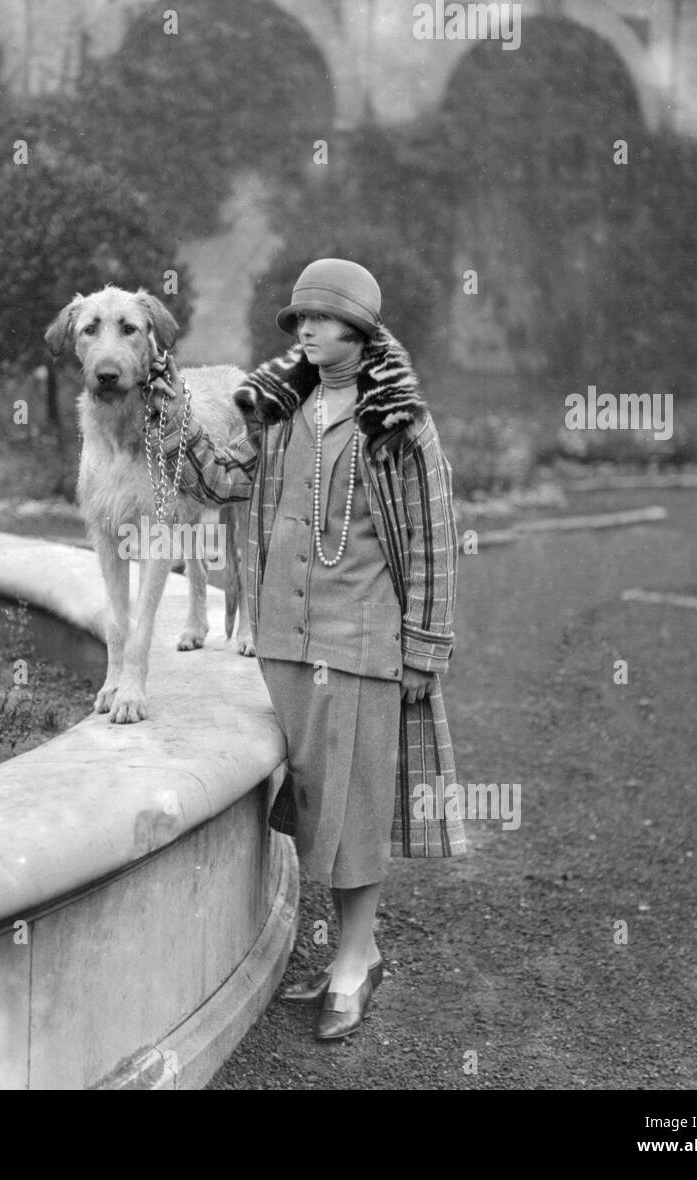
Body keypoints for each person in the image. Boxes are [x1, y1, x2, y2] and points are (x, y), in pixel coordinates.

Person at [149, 258, 466, 1041]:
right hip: (285, 639)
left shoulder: (399, 422)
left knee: (356, 809)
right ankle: (353, 951)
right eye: (299, 320)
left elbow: (432, 540)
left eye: (322, 318)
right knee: (319, 801)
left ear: (361, 329)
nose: (306, 330)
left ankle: (356, 961)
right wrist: (182, 426)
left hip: (362, 640)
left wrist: (424, 647)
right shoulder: (286, 409)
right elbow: (228, 483)